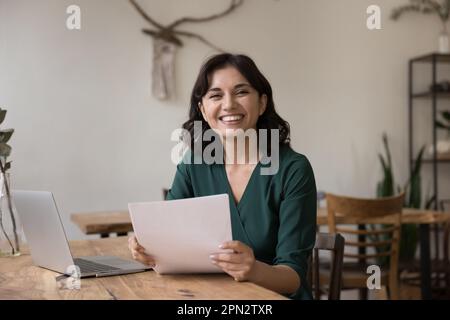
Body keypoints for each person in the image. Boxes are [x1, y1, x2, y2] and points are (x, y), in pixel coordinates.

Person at [128, 53, 317, 300]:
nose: (228, 105)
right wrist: (148, 248)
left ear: (262, 103)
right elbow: (168, 238)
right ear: (203, 110)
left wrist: (255, 270)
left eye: (241, 92)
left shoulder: (293, 170)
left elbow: (293, 278)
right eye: (216, 95)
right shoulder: (193, 165)